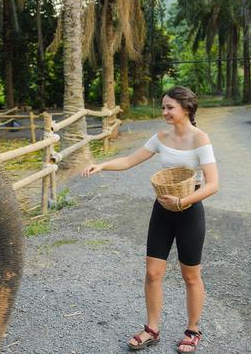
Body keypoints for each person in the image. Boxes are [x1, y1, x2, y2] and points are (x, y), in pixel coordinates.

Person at [82, 86, 219, 353]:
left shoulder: (201, 139)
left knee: (191, 276)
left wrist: (182, 201)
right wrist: (102, 165)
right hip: (162, 211)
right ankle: (152, 329)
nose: (164, 111)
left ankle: (192, 330)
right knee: (153, 272)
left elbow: (213, 185)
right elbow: (130, 160)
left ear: (186, 108)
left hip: (189, 211)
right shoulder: (161, 137)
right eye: (164, 107)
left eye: (170, 107)